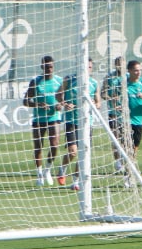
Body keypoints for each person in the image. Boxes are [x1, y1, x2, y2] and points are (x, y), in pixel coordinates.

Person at [57, 58, 99, 189]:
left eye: (90, 67)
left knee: (83, 153)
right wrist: (65, 104)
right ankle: (62, 169)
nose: (88, 69)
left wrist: (94, 104)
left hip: (87, 122)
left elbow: (98, 103)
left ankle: (76, 181)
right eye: (86, 66)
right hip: (72, 120)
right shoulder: (69, 79)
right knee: (73, 151)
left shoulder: (93, 83)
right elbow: (58, 95)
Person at [23, 55, 64, 186]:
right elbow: (25, 101)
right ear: (42, 67)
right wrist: (37, 104)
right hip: (39, 119)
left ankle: (47, 169)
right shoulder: (35, 81)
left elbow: (63, 99)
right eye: (46, 67)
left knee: (55, 144)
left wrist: (60, 105)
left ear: (54, 67)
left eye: (51, 66)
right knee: (38, 147)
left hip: (54, 117)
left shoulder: (59, 81)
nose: (49, 69)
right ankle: (39, 173)